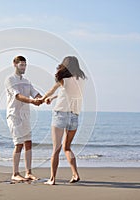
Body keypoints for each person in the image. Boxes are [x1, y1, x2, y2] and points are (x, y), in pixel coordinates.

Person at [40, 56, 86, 185]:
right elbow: (66, 93)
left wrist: (43, 99)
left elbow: (52, 90)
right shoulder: (82, 80)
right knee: (67, 148)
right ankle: (75, 174)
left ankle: (52, 179)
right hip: (74, 116)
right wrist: (54, 98)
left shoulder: (63, 80)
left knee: (56, 148)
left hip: (61, 114)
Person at [5, 55, 43, 181]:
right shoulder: (10, 80)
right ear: (15, 64)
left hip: (26, 116)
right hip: (14, 116)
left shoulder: (27, 81)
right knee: (19, 144)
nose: (24, 67)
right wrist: (32, 102)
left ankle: (28, 173)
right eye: (21, 65)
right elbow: (18, 96)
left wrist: (42, 98)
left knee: (28, 143)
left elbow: (35, 93)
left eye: (25, 65)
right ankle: (15, 173)